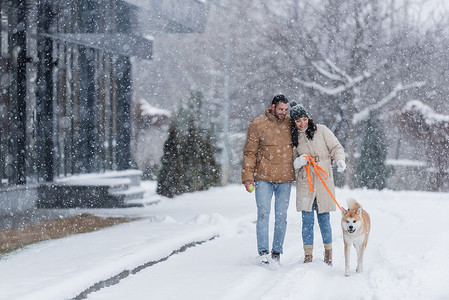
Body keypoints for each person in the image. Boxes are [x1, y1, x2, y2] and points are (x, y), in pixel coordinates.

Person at [290, 101, 346, 266]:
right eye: (298, 121)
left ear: (308, 117)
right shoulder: (293, 138)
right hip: (305, 180)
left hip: (323, 178)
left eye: (304, 119)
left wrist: (340, 159)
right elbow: (290, 162)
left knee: (324, 217)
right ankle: (308, 255)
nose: (302, 123)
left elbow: (336, 146)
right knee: (307, 219)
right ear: (294, 123)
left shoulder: (321, 130)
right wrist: (298, 161)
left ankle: (328, 253)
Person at [242, 94, 295, 265]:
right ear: (272, 107)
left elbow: (306, 136)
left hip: (285, 179)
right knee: (263, 214)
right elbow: (250, 153)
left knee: (281, 217)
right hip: (263, 178)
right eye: (281, 109)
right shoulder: (258, 124)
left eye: (286, 110)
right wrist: (247, 177)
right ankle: (263, 252)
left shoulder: (290, 124)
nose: (283, 113)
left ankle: (276, 252)